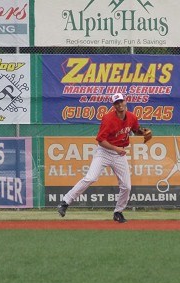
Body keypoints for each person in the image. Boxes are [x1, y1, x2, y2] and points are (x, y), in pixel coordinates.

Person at [58, 93, 144, 223]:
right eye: (117, 103)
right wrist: (116, 148)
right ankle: (65, 202)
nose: (120, 104)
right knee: (90, 177)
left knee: (126, 186)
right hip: (104, 152)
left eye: (121, 101)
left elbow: (136, 130)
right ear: (114, 105)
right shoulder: (108, 119)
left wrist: (143, 132)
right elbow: (100, 140)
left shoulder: (132, 117)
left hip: (119, 155)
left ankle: (118, 212)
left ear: (125, 101)